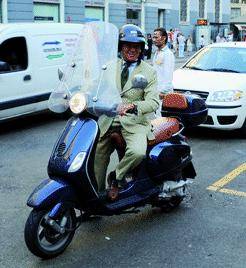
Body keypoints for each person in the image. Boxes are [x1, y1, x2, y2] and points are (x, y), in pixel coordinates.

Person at [94, 24, 159, 200]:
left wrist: (134, 106)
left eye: (136, 47)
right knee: (95, 155)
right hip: (109, 118)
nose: (131, 50)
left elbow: (153, 101)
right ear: (120, 47)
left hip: (134, 121)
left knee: (138, 152)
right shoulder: (108, 66)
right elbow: (96, 88)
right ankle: (97, 196)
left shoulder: (149, 72)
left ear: (141, 49)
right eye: (127, 46)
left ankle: (117, 177)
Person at [152, 27, 175, 117]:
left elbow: (168, 76)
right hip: (156, 92)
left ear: (164, 38)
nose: (154, 40)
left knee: (161, 120)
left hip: (162, 94)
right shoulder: (157, 53)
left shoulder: (168, 54)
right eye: (153, 37)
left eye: (156, 37)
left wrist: (163, 92)